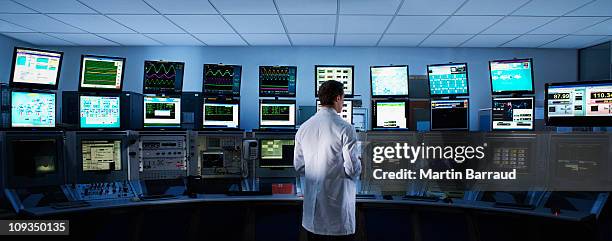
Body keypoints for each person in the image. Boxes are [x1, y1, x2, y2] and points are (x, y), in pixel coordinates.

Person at [294, 80, 362, 241]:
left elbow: (298, 166)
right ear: (338, 98)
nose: (343, 103)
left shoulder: (304, 128)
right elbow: (352, 169)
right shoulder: (346, 128)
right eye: (343, 99)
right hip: (336, 215)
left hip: (313, 217)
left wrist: (317, 169)